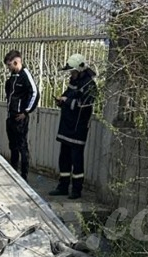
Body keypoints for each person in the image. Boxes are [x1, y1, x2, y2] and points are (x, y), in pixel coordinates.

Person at [50, 54, 97, 199]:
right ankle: (63, 186)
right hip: (66, 126)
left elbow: (84, 105)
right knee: (64, 158)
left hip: (78, 128)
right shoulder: (74, 80)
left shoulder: (89, 85)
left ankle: (76, 190)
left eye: (73, 71)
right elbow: (68, 95)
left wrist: (67, 100)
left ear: (80, 69)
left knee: (76, 160)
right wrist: (61, 100)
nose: (71, 73)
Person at [4, 50, 39, 181]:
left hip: (20, 118)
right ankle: (13, 173)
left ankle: (24, 176)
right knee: (12, 146)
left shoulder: (25, 75)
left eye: (9, 65)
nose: (8, 68)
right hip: (11, 117)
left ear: (16, 62)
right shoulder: (13, 76)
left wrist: (26, 112)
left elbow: (35, 93)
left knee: (22, 147)